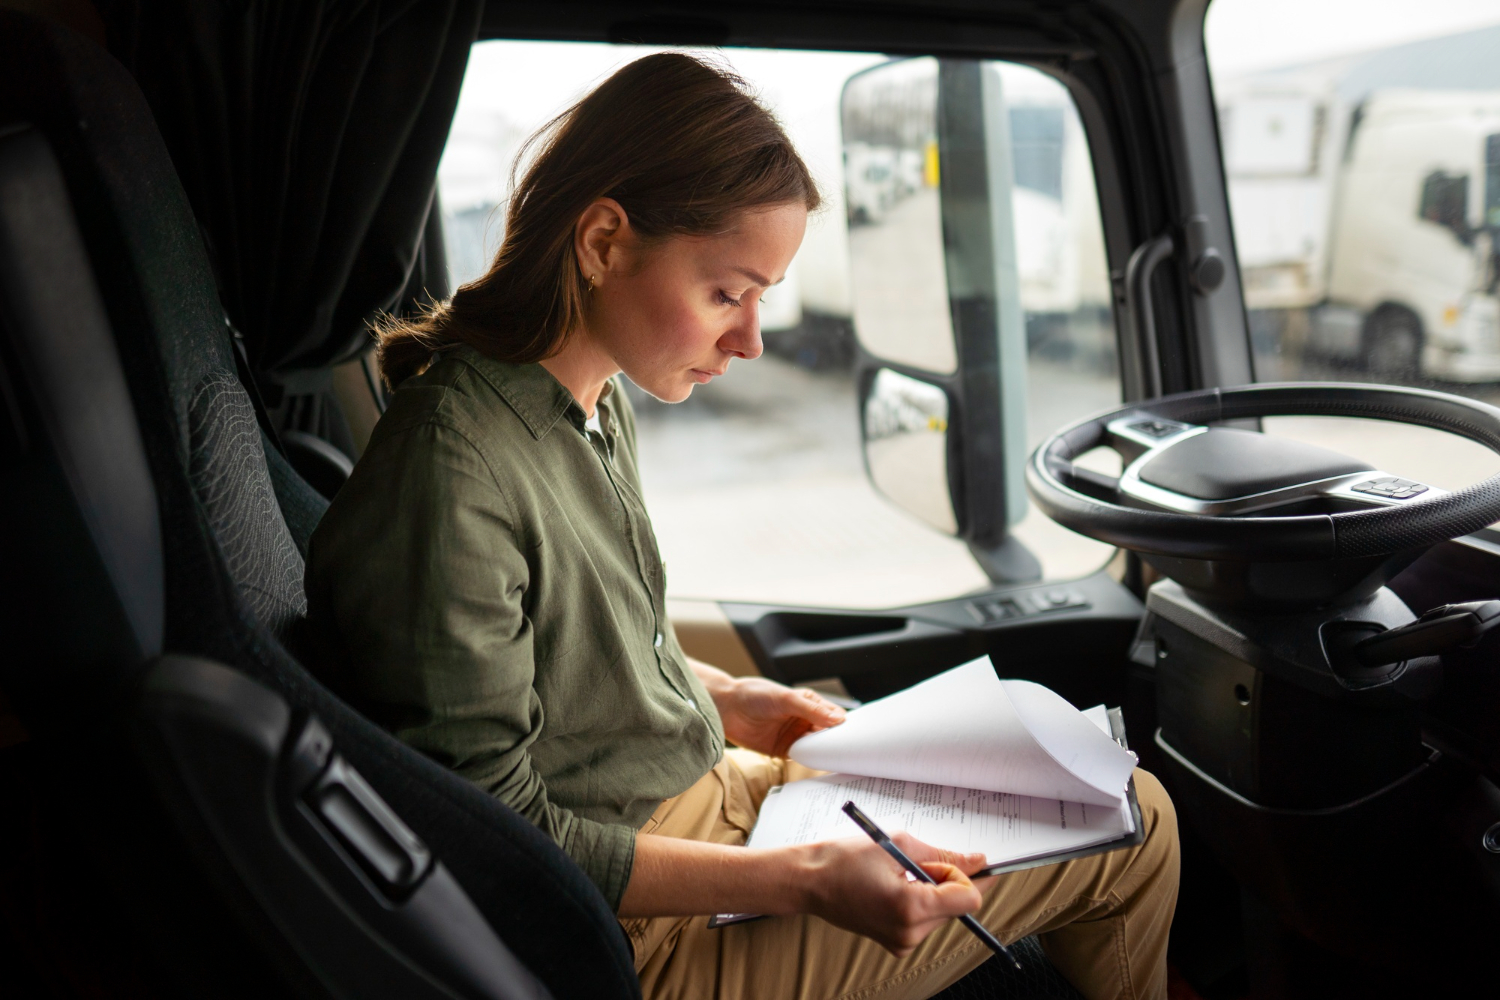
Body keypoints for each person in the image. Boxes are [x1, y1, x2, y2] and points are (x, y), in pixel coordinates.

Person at [304, 52, 1179, 1000]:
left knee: (1088, 790)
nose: (753, 340)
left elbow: (587, 657)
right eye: (727, 293)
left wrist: (730, 699)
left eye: (763, 297)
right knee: (1136, 828)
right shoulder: (454, 471)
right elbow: (493, 832)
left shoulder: (588, 398)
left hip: (704, 796)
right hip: (637, 928)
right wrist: (804, 880)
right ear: (602, 241)